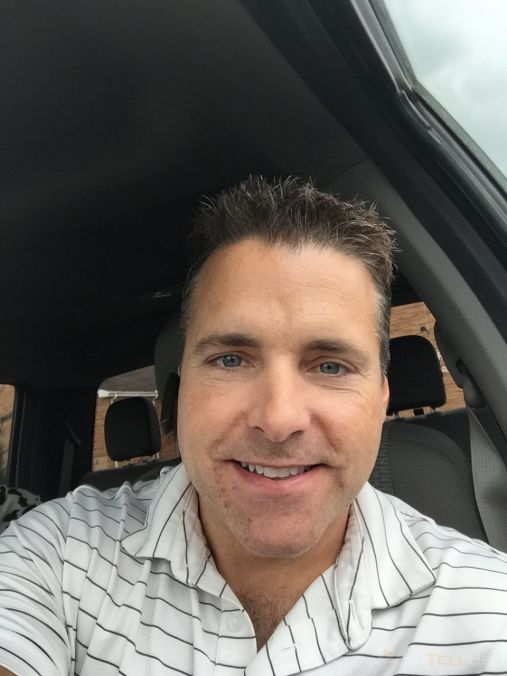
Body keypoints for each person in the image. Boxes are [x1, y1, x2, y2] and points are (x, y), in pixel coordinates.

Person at [1, 176, 507, 675]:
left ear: (381, 398)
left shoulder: (487, 615)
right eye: (231, 360)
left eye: (331, 366)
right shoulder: (57, 554)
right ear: (181, 390)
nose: (278, 419)